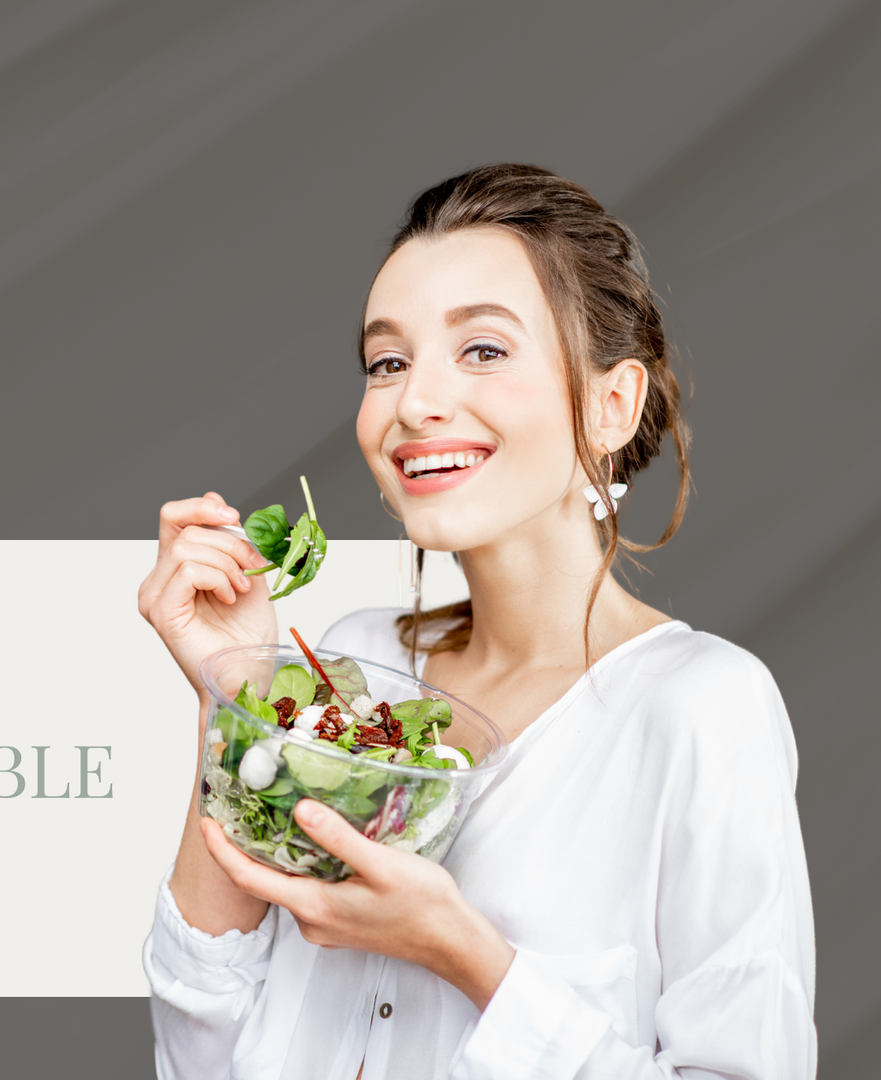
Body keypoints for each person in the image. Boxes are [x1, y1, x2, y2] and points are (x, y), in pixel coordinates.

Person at [137, 164, 814, 1079]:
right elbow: (200, 1043)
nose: (415, 402)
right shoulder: (354, 666)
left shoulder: (700, 708)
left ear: (613, 405)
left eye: (484, 350)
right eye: (388, 361)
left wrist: (464, 953)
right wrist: (238, 693)